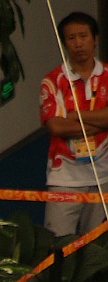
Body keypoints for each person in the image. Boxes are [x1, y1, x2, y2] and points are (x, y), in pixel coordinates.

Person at [40, 12, 108, 237]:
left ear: (95, 38)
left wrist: (74, 115)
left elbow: (65, 121)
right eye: (71, 38)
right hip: (64, 179)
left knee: (98, 247)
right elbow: (56, 126)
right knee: (58, 247)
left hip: (104, 175)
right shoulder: (53, 81)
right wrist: (100, 121)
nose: (78, 43)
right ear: (64, 43)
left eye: (83, 36)